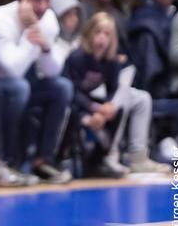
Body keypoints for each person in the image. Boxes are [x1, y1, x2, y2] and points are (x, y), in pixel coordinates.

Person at [0, 0, 74, 186]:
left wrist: (45, 48)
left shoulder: (49, 19)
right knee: (19, 87)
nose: (42, 7)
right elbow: (11, 69)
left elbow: (52, 71)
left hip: (17, 82)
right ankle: (2, 163)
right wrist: (31, 33)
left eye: (47, 0)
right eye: (36, 0)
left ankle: (42, 161)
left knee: (62, 87)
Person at [67, 12, 171, 175]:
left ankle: (138, 157)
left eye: (107, 34)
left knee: (138, 99)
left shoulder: (111, 61)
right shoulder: (77, 57)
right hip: (78, 106)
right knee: (113, 106)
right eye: (98, 32)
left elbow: (113, 89)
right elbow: (74, 91)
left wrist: (107, 107)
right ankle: (110, 156)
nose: (102, 38)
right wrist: (95, 108)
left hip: (97, 104)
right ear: (89, 33)